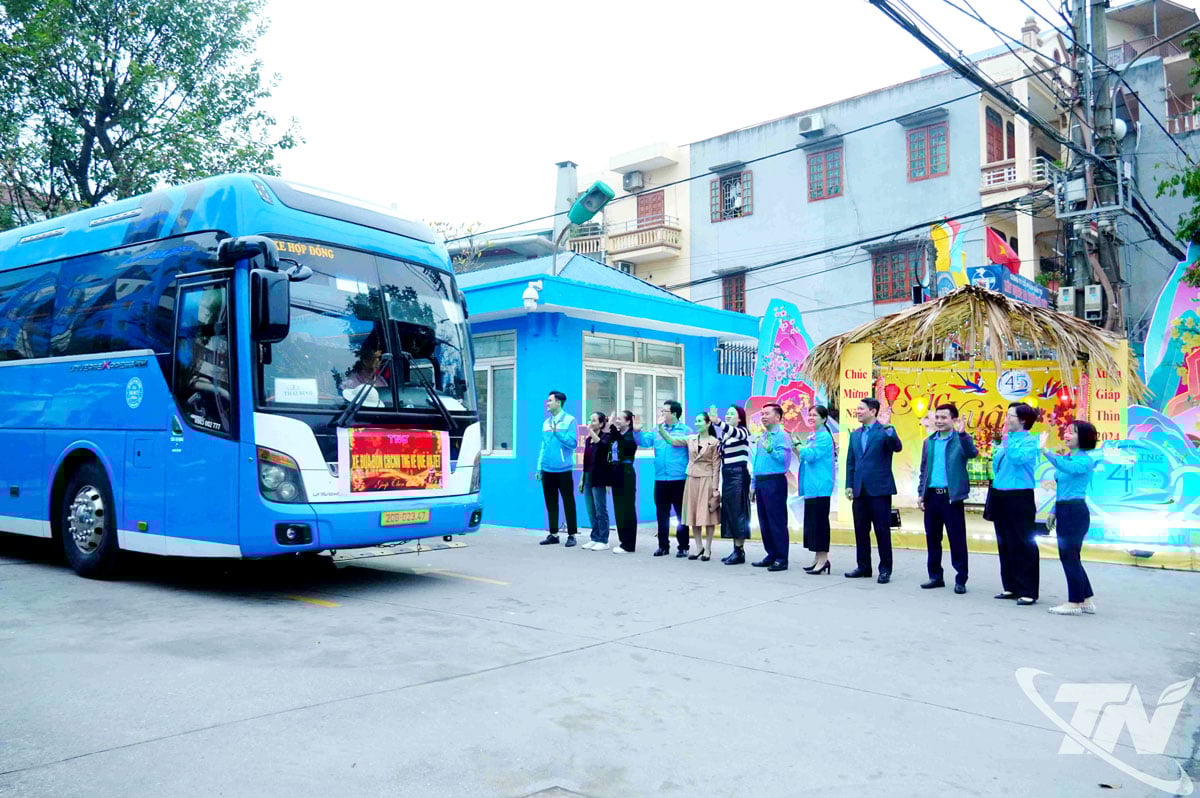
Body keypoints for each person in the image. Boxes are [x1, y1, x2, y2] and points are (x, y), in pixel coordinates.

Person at [916, 403, 978, 594]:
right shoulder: (929, 442)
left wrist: (963, 434)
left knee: (957, 539)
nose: (940, 421)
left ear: (953, 420)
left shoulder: (960, 440)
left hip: (952, 498)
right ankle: (935, 576)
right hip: (932, 496)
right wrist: (921, 492)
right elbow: (924, 469)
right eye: (938, 417)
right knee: (932, 538)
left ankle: (961, 579)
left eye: (944, 418)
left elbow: (972, 453)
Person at [1041, 421, 1100, 616]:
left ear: (1083, 437)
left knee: (1069, 557)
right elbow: (1062, 489)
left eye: (1072, 433)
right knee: (1071, 556)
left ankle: (1074, 602)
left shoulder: (1085, 460)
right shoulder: (1068, 457)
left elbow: (1065, 468)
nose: (1067, 435)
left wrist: (1045, 450)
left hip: (1075, 511)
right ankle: (1086, 599)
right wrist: (1053, 510)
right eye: (1066, 431)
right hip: (1064, 508)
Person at [844, 397, 903, 583]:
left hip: (879, 489)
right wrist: (848, 484)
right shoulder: (855, 434)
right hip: (859, 489)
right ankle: (863, 566)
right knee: (861, 530)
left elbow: (897, 447)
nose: (858, 412)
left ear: (873, 411)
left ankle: (885, 569)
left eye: (861, 409)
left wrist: (889, 429)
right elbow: (850, 462)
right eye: (857, 409)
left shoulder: (884, 431)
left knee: (881, 531)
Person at [990, 402, 1041, 605]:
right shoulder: (1005, 440)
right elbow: (997, 465)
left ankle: (1028, 589)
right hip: (1000, 494)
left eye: (1010, 415)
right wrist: (1002, 443)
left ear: (1022, 420)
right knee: (1004, 541)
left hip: (1020, 495)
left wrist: (1006, 441)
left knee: (1023, 542)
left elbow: (1018, 459)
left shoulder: (1031, 442)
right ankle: (1010, 586)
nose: (1006, 419)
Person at [636, 400, 692, 557]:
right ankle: (663, 546)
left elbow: (691, 455)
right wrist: (637, 431)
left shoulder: (686, 431)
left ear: (673, 413)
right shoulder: (655, 430)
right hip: (660, 479)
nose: (661, 414)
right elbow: (644, 442)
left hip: (679, 479)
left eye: (664, 411)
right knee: (662, 514)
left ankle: (683, 546)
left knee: (682, 515)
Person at [793, 405, 835, 575]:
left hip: (820, 486)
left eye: (814, 415)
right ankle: (818, 558)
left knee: (820, 525)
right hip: (811, 486)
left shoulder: (824, 437)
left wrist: (798, 444)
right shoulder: (814, 436)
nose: (810, 417)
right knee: (813, 524)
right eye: (809, 414)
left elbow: (810, 456)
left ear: (824, 419)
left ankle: (823, 559)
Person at [751, 403, 792, 571]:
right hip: (761, 481)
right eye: (762, 413)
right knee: (764, 521)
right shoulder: (763, 436)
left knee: (776, 520)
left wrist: (771, 450)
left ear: (778, 417)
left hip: (774, 481)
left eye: (767, 413)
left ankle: (782, 558)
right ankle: (771, 554)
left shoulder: (782, 436)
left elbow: (784, 461)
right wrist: (753, 484)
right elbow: (757, 462)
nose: (763, 416)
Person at [711, 404, 752, 564]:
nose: (727, 415)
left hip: (738, 475)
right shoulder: (726, 436)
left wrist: (718, 421)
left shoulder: (743, 432)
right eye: (726, 413)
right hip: (727, 475)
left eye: (731, 414)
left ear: (740, 418)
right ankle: (735, 549)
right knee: (729, 512)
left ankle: (740, 550)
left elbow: (734, 431)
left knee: (738, 512)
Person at [537, 390, 578, 547]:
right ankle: (553, 534)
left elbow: (573, 443)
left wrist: (558, 434)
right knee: (551, 503)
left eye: (549, 401)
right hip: (547, 470)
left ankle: (572, 535)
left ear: (558, 402)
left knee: (568, 502)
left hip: (564, 470)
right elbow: (543, 446)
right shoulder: (546, 423)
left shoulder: (569, 420)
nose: (547, 403)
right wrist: (539, 467)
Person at [682, 412, 721, 561]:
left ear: (708, 423)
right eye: (696, 420)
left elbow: (716, 466)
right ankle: (698, 547)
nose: (696, 423)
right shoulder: (691, 439)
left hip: (707, 480)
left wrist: (715, 488)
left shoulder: (715, 442)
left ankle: (708, 548)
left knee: (707, 516)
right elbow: (673, 440)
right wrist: (661, 428)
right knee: (693, 514)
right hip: (691, 479)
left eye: (700, 421)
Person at [609, 410, 640, 554]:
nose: (617, 421)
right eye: (616, 419)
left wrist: (612, 428)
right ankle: (622, 541)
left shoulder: (630, 435)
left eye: (620, 419)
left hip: (626, 471)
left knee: (627, 508)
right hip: (616, 471)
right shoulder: (618, 436)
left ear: (628, 421)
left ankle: (629, 543)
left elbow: (627, 446)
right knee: (618, 507)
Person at [581, 412, 612, 550]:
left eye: (593, 421)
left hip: (599, 478)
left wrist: (590, 432)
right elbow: (586, 461)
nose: (590, 423)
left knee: (601, 510)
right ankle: (595, 537)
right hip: (588, 476)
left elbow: (603, 447)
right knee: (591, 509)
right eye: (590, 420)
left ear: (600, 424)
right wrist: (582, 479)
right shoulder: (588, 440)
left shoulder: (605, 437)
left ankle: (604, 540)